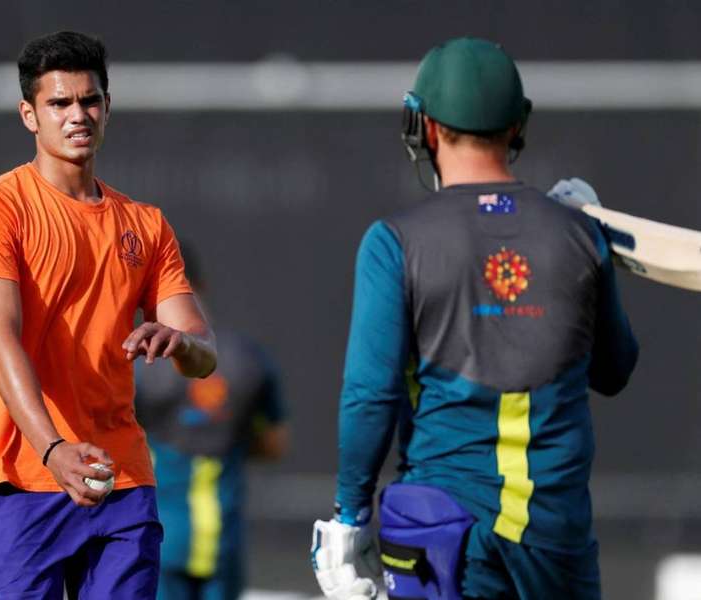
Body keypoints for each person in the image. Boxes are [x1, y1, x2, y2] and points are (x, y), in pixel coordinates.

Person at [311, 37, 638, 600]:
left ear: (427, 128)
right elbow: (614, 369)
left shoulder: (395, 243)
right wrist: (593, 238)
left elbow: (370, 394)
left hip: (445, 531)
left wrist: (349, 513)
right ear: (518, 126)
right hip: (556, 536)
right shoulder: (579, 233)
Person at [0, 31, 216, 599]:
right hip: (22, 477)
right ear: (30, 115)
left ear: (107, 107)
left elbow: (202, 353)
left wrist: (180, 341)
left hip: (121, 480)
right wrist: (52, 448)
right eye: (59, 103)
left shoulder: (145, 223)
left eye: (89, 100)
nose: (78, 115)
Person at [134, 245, 288, 600]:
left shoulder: (136, 367)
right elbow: (275, 445)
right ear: (200, 286)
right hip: (222, 545)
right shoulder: (249, 360)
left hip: (157, 541)